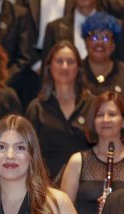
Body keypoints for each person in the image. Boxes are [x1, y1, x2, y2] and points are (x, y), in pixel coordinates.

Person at [25, 40, 92, 182]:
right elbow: (28, 153)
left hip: (87, 186)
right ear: (49, 66)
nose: (65, 67)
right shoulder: (37, 108)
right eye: (59, 61)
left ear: (79, 68)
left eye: (70, 61)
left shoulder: (93, 105)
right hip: (47, 186)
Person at [80, 12, 124, 103]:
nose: (100, 43)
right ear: (86, 42)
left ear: (113, 45)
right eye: (94, 37)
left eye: (106, 38)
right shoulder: (76, 71)